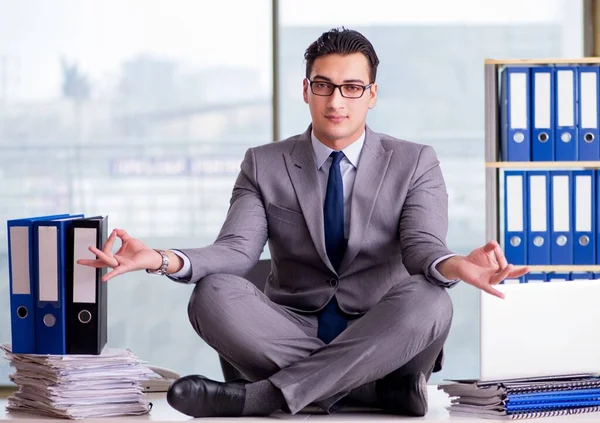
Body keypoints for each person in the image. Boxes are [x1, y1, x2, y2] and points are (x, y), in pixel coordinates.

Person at [79, 27, 529, 418]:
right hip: (289, 326)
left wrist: (455, 265)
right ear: (306, 89)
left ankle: (262, 397)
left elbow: (422, 248)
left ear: (372, 94)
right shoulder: (264, 163)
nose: (337, 101)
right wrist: (160, 258)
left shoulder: (415, 162)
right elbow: (236, 251)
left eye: (352, 87)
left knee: (431, 300)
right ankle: (373, 390)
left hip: (383, 330)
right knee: (212, 293)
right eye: (324, 85)